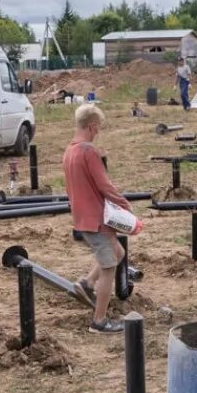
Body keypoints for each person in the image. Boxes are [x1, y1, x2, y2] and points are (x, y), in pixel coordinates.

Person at [63, 102, 133, 332]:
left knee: (118, 252)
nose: (99, 132)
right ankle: (99, 321)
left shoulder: (70, 151)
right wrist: (124, 206)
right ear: (92, 126)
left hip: (82, 217)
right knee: (109, 266)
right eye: (98, 127)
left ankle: (87, 283)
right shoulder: (88, 151)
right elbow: (104, 184)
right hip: (97, 219)